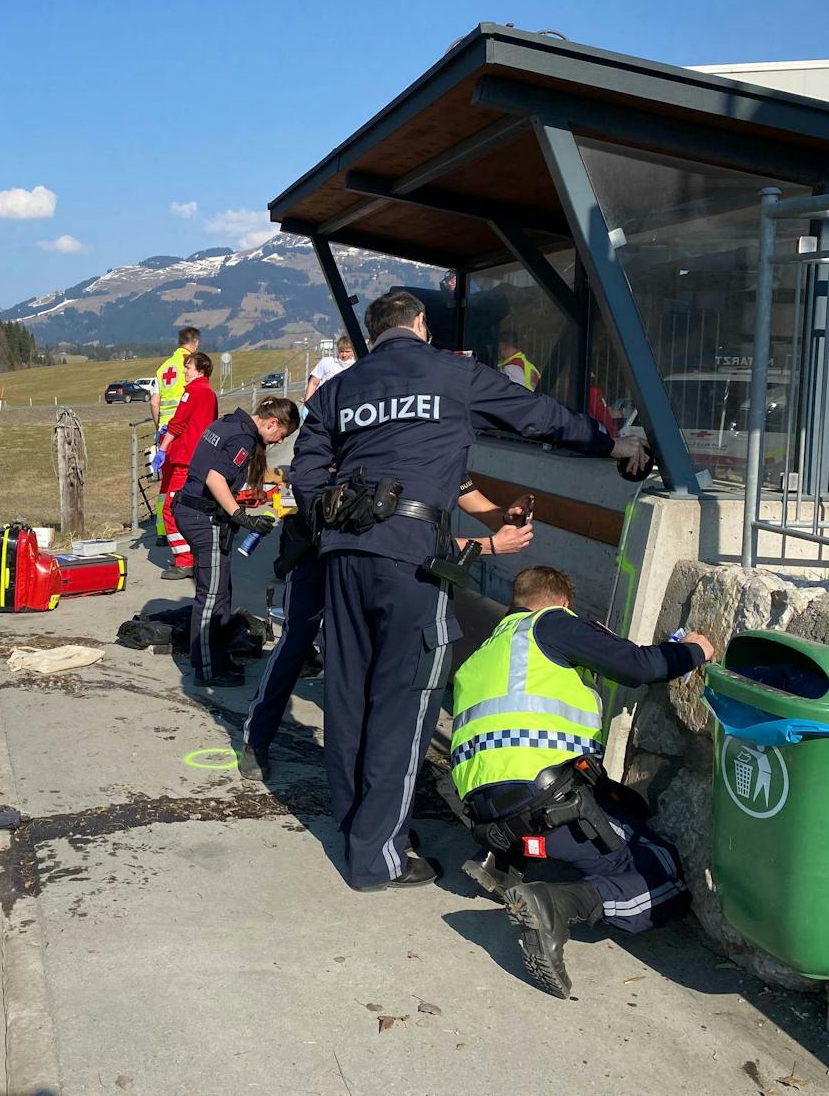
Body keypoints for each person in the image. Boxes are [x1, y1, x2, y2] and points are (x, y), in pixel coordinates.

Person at [288, 291, 650, 892]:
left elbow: (309, 472)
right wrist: (612, 443)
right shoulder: (451, 373)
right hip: (413, 559)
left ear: (373, 334)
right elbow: (539, 416)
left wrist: (334, 525)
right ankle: (377, 858)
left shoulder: (338, 390)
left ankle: (361, 826)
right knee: (406, 701)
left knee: (350, 693)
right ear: (421, 324)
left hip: (345, 557)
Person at [451, 565, 714, 998]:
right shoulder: (552, 623)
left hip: (487, 813)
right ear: (564, 601)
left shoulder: (488, 652)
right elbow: (636, 665)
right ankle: (557, 906)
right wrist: (693, 650)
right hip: (547, 802)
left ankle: (501, 862)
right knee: (661, 875)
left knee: (616, 808)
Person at [239, 479, 536, 782]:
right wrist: (488, 546)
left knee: (373, 663)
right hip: (325, 553)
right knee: (295, 645)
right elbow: (399, 540)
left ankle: (367, 772)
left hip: (383, 565)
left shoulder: (442, 443)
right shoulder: (382, 445)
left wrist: (504, 515)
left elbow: (475, 501)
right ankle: (258, 738)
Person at [173, 398, 300, 687]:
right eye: (282, 435)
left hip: (192, 510)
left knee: (220, 591)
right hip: (202, 518)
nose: (280, 441)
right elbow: (215, 478)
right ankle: (207, 668)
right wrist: (241, 516)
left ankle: (215, 657)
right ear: (271, 423)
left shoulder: (228, 422)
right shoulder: (243, 437)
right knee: (212, 596)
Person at [151, 352, 218, 580]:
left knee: (171, 508)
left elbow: (179, 422)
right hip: (199, 458)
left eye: (188, 367)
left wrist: (162, 447)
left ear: (200, 370)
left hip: (185, 460)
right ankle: (193, 556)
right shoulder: (209, 393)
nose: (184, 371)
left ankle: (184, 561)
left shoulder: (194, 390)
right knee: (190, 508)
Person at [152, 327, 203, 547]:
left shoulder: (163, 368)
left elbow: (154, 402)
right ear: (196, 343)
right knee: (186, 481)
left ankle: (162, 530)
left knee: (166, 484)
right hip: (184, 434)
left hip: (164, 433)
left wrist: (159, 428)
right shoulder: (192, 366)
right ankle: (187, 529)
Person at [304, 336, 355, 401]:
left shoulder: (356, 366)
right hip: (324, 401)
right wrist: (307, 405)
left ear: (353, 351)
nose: (344, 355)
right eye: (341, 351)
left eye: (347, 351)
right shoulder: (326, 362)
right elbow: (313, 383)